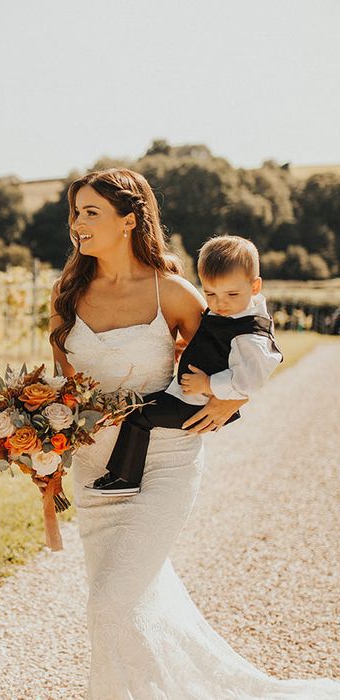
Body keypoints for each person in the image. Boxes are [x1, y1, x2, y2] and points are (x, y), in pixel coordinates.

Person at [48, 168, 340, 698]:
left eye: (90, 212)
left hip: (165, 465)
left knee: (111, 601)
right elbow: (63, 388)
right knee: (125, 607)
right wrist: (42, 438)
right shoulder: (68, 293)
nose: (77, 223)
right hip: (94, 472)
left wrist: (231, 397)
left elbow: (242, 335)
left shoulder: (175, 293)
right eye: (75, 212)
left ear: (128, 221)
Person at [88, 234, 283, 496]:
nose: (219, 303)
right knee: (137, 405)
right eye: (210, 294)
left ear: (255, 287)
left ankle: (125, 478)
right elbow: (216, 342)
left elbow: (251, 379)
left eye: (231, 294)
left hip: (197, 403)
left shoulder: (250, 333)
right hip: (188, 394)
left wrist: (209, 384)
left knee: (139, 416)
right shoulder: (234, 311)